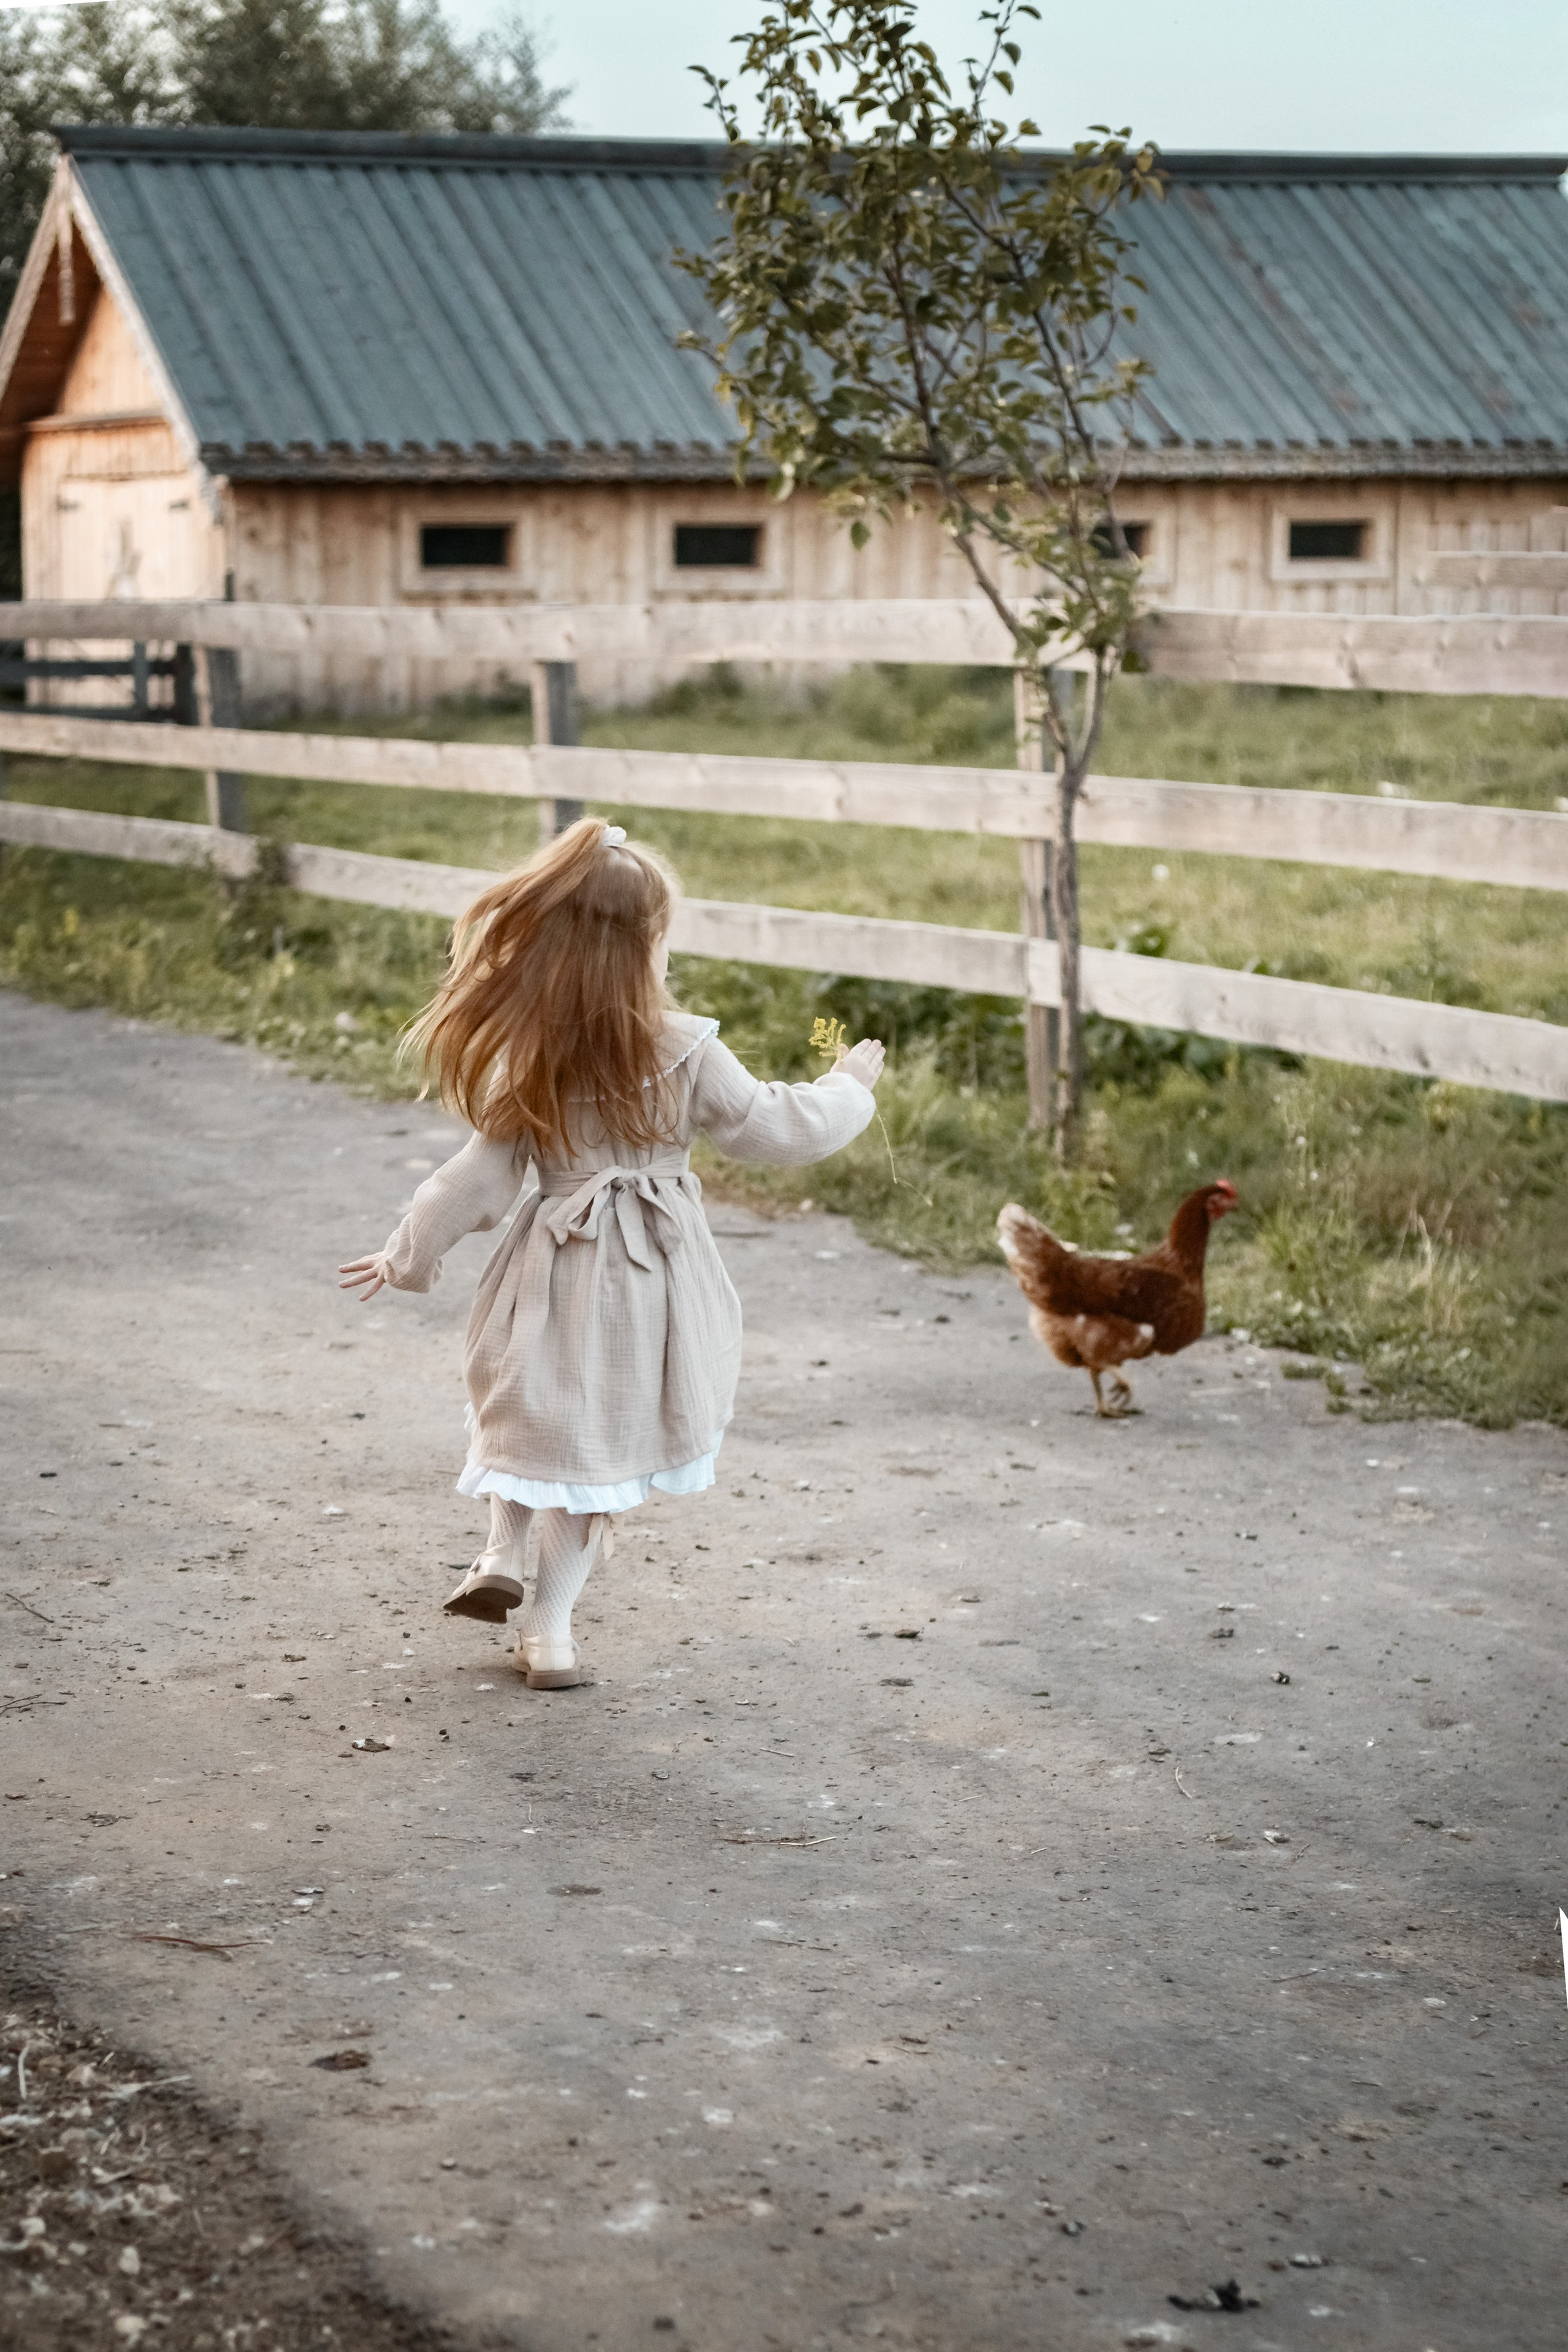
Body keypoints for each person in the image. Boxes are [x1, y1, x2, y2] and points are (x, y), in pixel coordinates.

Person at [338, 818, 883, 1690]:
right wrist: (847, 1092)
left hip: (550, 1261)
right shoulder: (688, 1050)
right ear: (645, 946)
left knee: (529, 1412)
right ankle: (548, 1633)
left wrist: (408, 1255)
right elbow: (776, 1128)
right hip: (650, 1278)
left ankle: (498, 1550)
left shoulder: (536, 1053)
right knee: (598, 1453)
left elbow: (474, 1179)